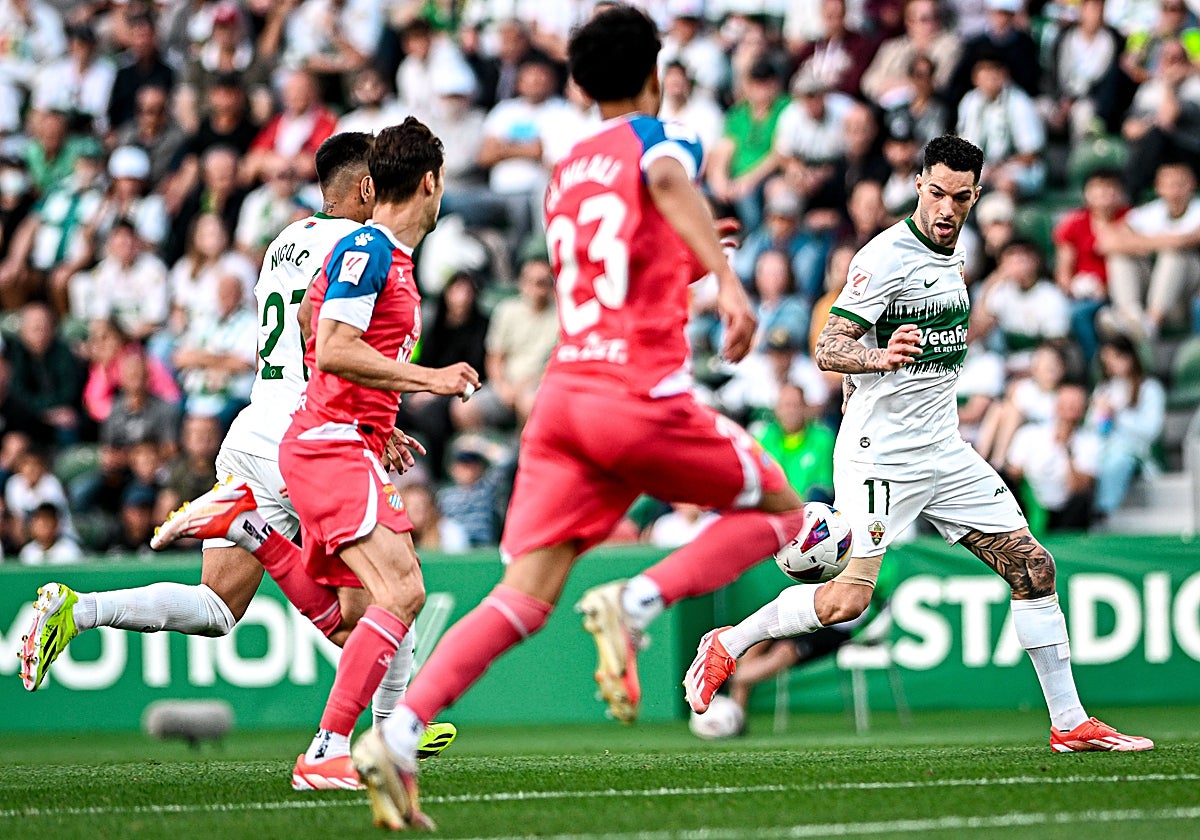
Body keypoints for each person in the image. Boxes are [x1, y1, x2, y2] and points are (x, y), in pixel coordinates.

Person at [352, 9, 809, 830]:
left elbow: (618, 257)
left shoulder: (565, 168)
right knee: (781, 511)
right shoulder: (661, 137)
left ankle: (401, 732)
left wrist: (698, 253)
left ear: (575, 83)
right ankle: (636, 602)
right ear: (655, 71)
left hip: (563, 399)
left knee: (523, 596)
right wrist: (728, 284)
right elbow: (667, 180)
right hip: (634, 395)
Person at [683, 134, 1152, 755]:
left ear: (975, 196)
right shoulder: (885, 258)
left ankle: (1068, 722)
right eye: (935, 192)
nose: (945, 207)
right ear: (918, 186)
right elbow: (828, 346)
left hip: (943, 449)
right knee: (849, 599)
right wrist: (875, 357)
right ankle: (729, 643)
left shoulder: (954, 255)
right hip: (881, 454)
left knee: (1034, 567)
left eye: (959, 197)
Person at [17, 133, 460, 783]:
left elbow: (302, 328)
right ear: (368, 189)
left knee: (219, 607)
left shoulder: (283, 242)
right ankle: (378, 739)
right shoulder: (361, 248)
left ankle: (77, 610)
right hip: (310, 433)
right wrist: (372, 409)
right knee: (387, 605)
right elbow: (328, 338)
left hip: (253, 426)